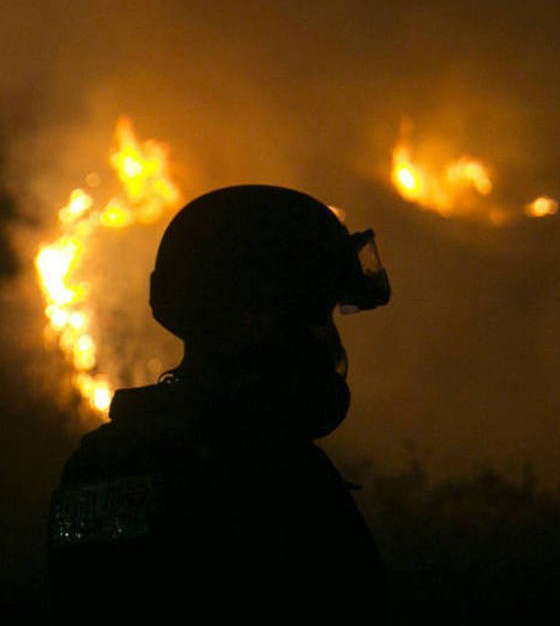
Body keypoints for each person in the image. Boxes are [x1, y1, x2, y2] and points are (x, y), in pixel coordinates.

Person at [48, 185, 391, 624]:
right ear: (252, 317)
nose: (327, 342)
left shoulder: (104, 465)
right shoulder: (275, 475)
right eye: (310, 316)